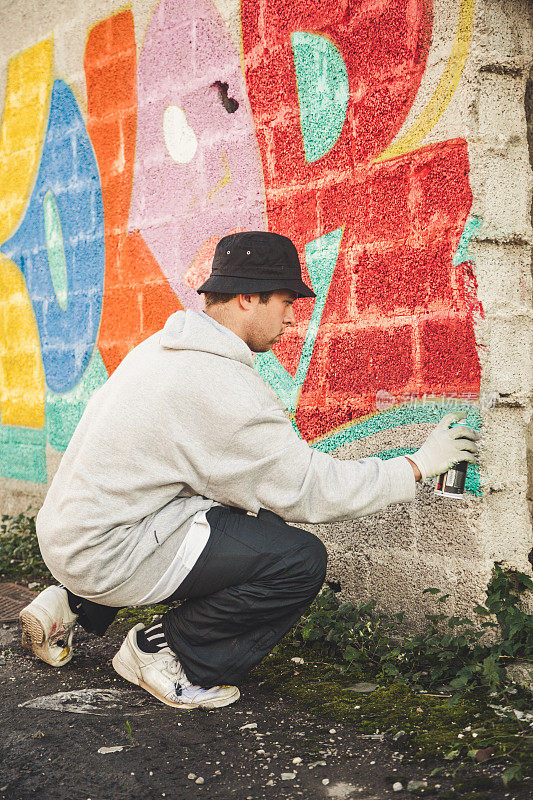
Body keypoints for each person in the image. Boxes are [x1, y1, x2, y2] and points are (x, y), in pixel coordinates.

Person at [19, 231, 479, 710]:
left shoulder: (164, 347)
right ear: (246, 298)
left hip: (72, 533)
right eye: (284, 300)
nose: (291, 316)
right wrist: (417, 466)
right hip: (105, 552)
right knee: (296, 560)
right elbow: (309, 489)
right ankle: (167, 652)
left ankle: (65, 605)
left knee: (228, 510)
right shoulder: (218, 385)